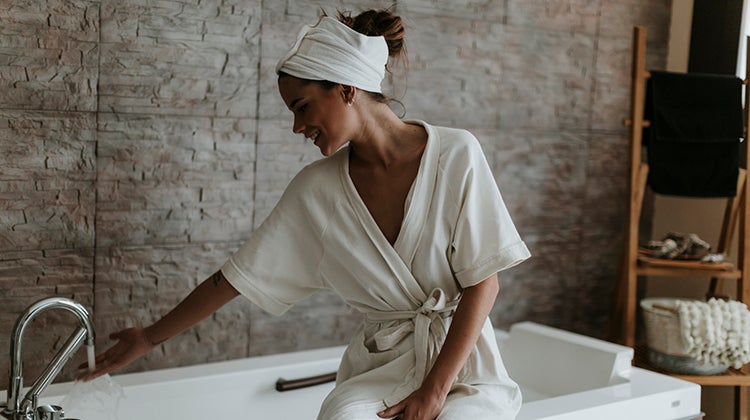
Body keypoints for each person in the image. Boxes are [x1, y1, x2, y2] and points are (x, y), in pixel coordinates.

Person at [83, 8, 530, 420]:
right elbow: (234, 278)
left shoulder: (456, 154)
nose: (298, 127)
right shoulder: (317, 190)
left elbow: (483, 284)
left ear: (346, 88)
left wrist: (435, 391)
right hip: (382, 370)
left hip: (465, 368)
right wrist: (150, 337)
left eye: (302, 108)